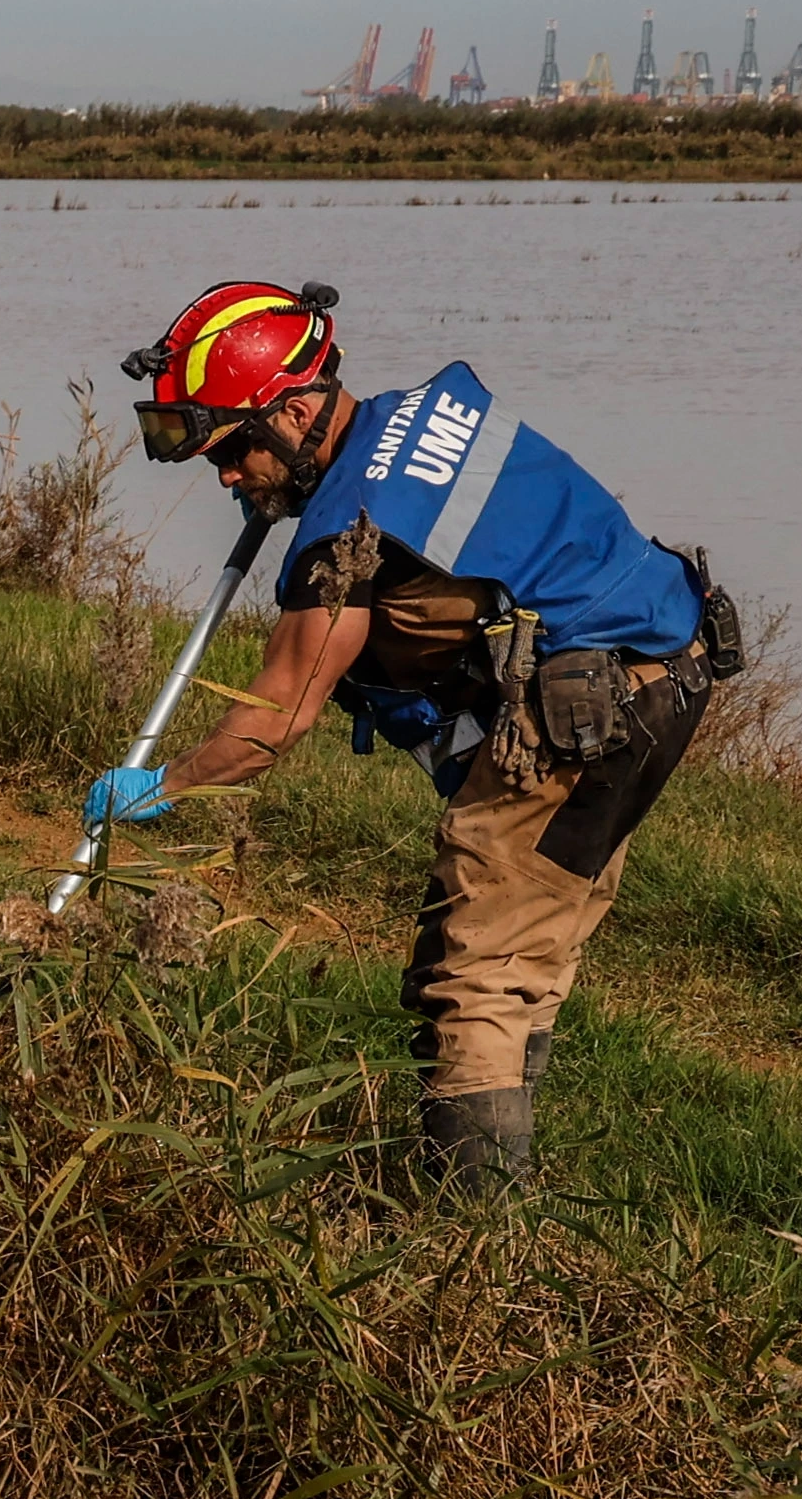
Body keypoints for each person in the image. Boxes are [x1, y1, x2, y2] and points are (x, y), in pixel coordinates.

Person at [82, 279, 739, 1183]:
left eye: (233, 451)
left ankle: (470, 1237)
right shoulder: (411, 417)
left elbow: (272, 722)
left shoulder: (347, 537)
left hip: (589, 707)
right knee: (524, 948)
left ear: (297, 410)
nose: (228, 476)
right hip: (670, 667)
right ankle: (498, 1150)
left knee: (472, 977)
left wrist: (163, 786)